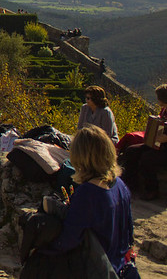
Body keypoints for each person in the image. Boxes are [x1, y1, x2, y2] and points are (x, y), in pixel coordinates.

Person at [38, 125, 134, 274]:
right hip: (119, 266)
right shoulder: (120, 185)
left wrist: (41, 248)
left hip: (96, 269)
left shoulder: (88, 193)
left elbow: (68, 241)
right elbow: (129, 231)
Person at [121, 84, 167, 200]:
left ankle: (152, 190)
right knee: (131, 150)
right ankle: (130, 183)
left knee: (148, 158)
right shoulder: (164, 110)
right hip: (157, 144)